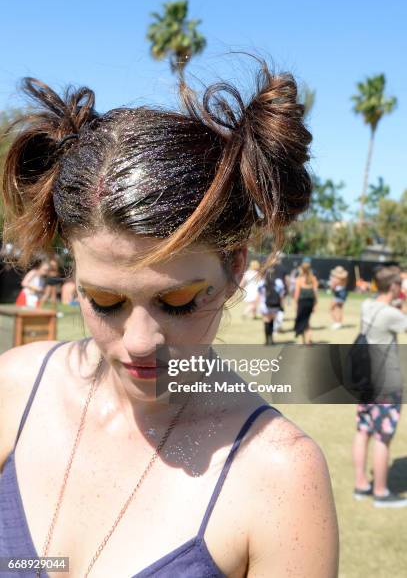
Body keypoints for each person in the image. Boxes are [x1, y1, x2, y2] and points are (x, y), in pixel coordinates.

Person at [0, 67, 338, 577]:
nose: (139, 342)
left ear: (235, 266)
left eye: (178, 302)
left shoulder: (281, 475)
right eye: (104, 301)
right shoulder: (14, 388)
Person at [352, 266, 407, 508]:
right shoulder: (391, 314)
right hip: (386, 383)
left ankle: (361, 485)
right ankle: (381, 492)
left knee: (363, 431)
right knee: (383, 436)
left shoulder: (368, 306)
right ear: (394, 286)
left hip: (366, 380)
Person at [257, 266, 285, 345]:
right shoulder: (279, 282)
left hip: (264, 305)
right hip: (275, 304)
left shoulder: (262, 282)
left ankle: (267, 340)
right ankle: (271, 340)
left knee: (266, 322)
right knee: (272, 322)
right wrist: (282, 304)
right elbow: (281, 294)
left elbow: (259, 293)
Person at [293, 259, 318, 344]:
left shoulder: (299, 279)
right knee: (306, 320)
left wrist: (295, 304)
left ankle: (306, 339)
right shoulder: (313, 278)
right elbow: (315, 292)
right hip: (310, 302)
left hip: (302, 303)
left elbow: (297, 293)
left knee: (302, 321)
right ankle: (307, 339)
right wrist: (315, 304)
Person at [329, 266, 349, 330]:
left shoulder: (337, 279)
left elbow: (333, 286)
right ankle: (339, 323)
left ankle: (336, 322)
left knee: (332, 308)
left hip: (339, 293)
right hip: (343, 292)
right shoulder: (344, 278)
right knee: (339, 308)